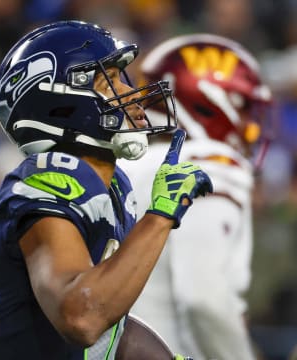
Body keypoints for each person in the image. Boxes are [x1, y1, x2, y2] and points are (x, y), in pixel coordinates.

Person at [0, 20, 212, 360]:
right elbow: (80, 317)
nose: (130, 92)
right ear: (59, 101)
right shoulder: (49, 179)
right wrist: (161, 216)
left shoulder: (114, 189)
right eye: (109, 80)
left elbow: (110, 329)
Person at [119, 33, 272, 360]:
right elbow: (204, 299)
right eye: (243, 107)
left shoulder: (121, 165)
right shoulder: (211, 165)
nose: (250, 126)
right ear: (209, 102)